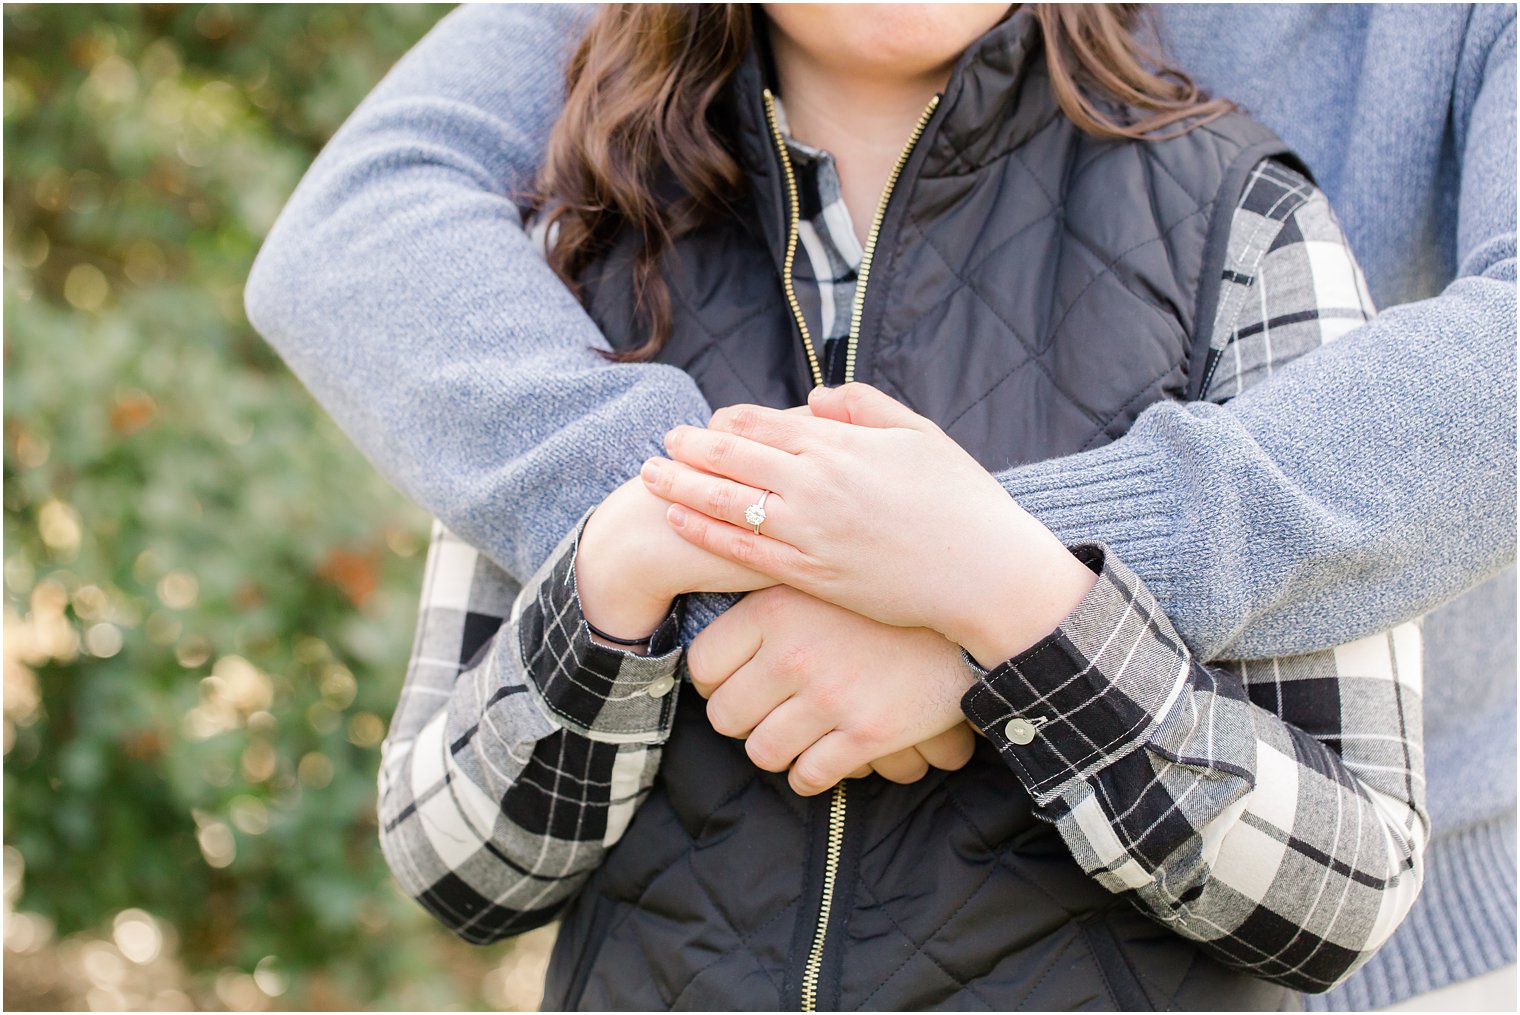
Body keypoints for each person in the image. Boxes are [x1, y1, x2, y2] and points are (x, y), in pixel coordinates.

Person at [245, 4, 1516, 1011]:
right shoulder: (603, 238)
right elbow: (363, 225)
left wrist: (988, 585)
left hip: (1389, 888)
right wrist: (692, 531)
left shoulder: (1244, 217)